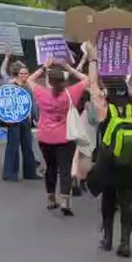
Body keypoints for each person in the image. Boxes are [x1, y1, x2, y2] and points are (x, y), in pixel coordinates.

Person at [86, 46, 132, 258]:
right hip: (130, 163)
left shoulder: (105, 108)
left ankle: (108, 239)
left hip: (108, 162)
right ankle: (126, 242)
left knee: (108, 200)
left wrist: (93, 59)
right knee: (127, 202)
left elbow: (92, 84)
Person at [28, 62, 89, 215]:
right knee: (65, 169)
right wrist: (68, 67)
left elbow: (29, 80)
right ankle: (65, 201)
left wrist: (43, 67)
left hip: (45, 137)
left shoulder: (42, 93)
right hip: (65, 138)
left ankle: (50, 198)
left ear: (49, 80)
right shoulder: (71, 93)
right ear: (64, 79)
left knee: (50, 168)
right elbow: (86, 79)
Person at [0, 55, 41, 182]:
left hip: (26, 120)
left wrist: (36, 118)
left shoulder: (28, 87)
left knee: (28, 146)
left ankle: (30, 173)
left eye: (27, 73)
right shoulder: (10, 86)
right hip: (13, 120)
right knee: (13, 146)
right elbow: (3, 102)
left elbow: (32, 104)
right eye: (23, 73)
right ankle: (10, 173)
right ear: (17, 74)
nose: (26, 75)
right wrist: (4, 117)